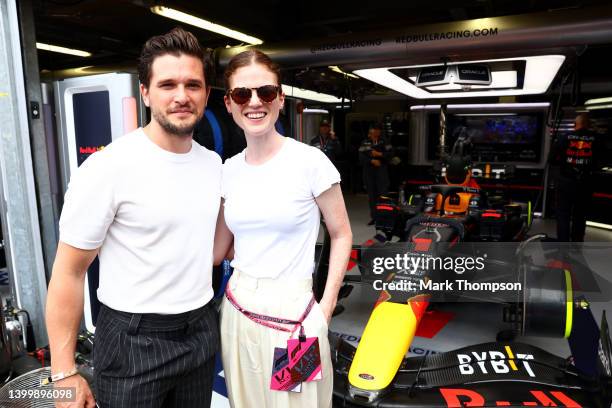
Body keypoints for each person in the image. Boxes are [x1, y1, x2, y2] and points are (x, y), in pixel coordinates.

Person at [45, 27, 221, 408]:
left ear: (206, 94)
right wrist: (63, 373)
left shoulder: (213, 165)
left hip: (201, 330)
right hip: (132, 341)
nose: (181, 96)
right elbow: (68, 272)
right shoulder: (108, 167)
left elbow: (214, 246)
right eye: (167, 84)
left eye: (193, 85)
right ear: (145, 92)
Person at [213, 50, 352, 408]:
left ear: (281, 98)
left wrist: (325, 308)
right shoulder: (228, 170)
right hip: (237, 313)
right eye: (243, 94)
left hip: (295, 320)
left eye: (266, 92)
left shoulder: (309, 162)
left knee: (299, 404)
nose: (255, 102)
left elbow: (341, 234)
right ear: (229, 104)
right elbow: (218, 250)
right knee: (245, 402)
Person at [551, 113, 600, 242]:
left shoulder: (564, 137)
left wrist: (565, 166)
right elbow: (602, 161)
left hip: (566, 182)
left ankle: (563, 245)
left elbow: (551, 159)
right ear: (588, 125)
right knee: (580, 215)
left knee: (563, 215)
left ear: (574, 125)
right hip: (586, 183)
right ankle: (577, 246)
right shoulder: (597, 138)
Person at [359, 123, 393, 225]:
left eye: (378, 129)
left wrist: (379, 154)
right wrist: (371, 161)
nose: (376, 131)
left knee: (383, 195)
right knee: (372, 196)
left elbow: (391, 155)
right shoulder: (365, 142)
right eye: (374, 129)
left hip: (381, 171)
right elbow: (361, 157)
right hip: (369, 172)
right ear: (370, 131)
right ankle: (375, 217)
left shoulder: (385, 141)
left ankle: (384, 218)